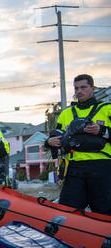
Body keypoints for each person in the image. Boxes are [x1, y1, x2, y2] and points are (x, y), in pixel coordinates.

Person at [46, 74, 111, 215]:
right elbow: (57, 138)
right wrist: (50, 142)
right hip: (75, 167)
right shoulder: (66, 114)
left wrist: (102, 130)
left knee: (105, 211)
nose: (79, 91)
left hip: (102, 167)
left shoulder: (107, 109)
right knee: (67, 212)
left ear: (93, 88)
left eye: (83, 87)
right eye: (76, 88)